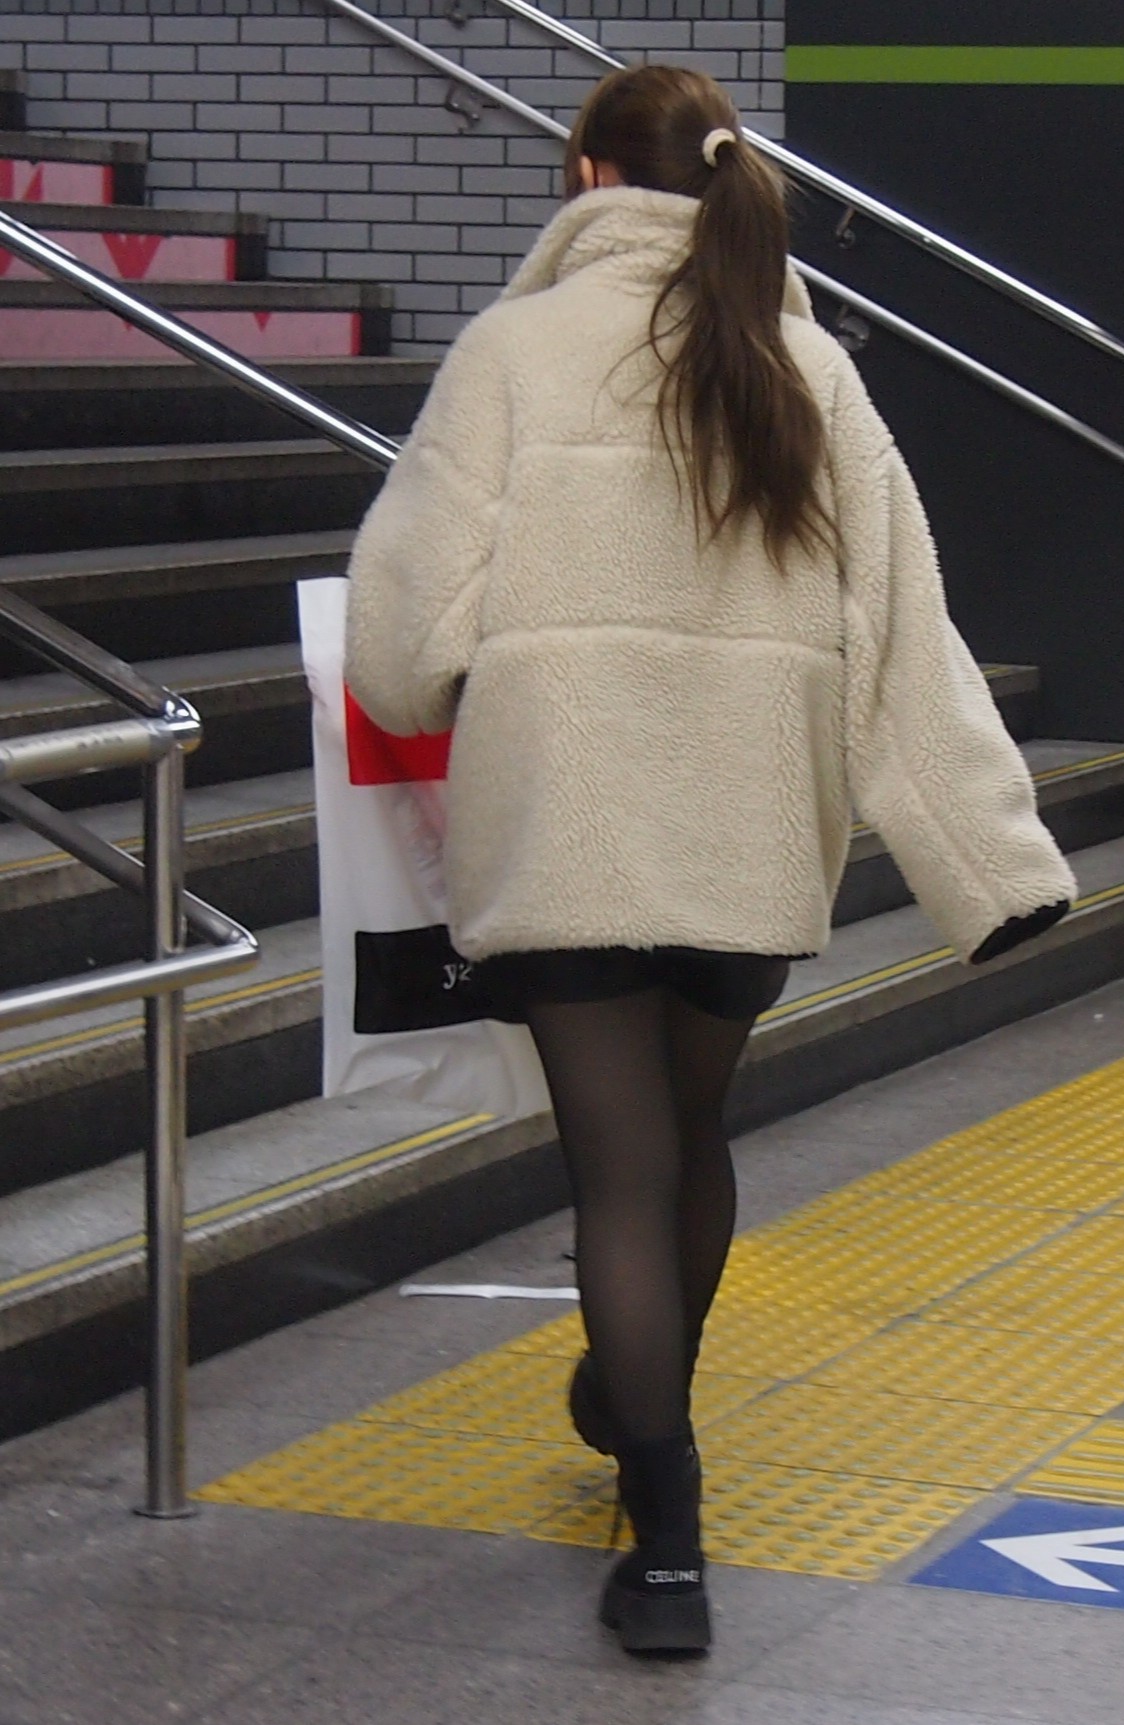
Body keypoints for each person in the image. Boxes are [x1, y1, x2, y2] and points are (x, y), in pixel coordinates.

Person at [344, 64, 1076, 1655]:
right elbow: (905, 636)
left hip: (567, 824)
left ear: (591, 178)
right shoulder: (810, 367)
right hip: (749, 829)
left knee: (616, 1170)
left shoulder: (515, 354)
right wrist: (991, 860)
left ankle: (662, 1529)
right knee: (689, 1140)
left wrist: (447, 687)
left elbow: (398, 637)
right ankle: (641, 1407)